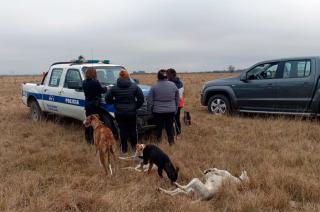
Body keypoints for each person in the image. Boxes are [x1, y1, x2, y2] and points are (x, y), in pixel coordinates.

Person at [105, 69, 144, 155]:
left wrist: (115, 103)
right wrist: (135, 106)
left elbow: (107, 99)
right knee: (133, 130)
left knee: (122, 131)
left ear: (119, 76)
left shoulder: (113, 88)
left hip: (119, 113)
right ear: (128, 76)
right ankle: (135, 149)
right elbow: (141, 99)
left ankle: (124, 150)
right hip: (132, 112)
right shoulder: (135, 86)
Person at [147, 69, 179, 145]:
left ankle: (158, 142)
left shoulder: (154, 86)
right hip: (170, 110)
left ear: (158, 77)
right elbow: (177, 98)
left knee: (158, 128)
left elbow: (150, 101)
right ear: (166, 77)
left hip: (158, 111)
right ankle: (171, 142)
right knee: (169, 127)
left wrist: (150, 111)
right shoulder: (173, 85)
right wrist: (175, 108)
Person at [82, 67, 106, 144]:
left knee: (88, 122)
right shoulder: (95, 82)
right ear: (93, 74)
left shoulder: (84, 82)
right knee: (94, 123)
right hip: (94, 105)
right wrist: (107, 88)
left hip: (87, 104)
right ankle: (93, 140)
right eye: (95, 73)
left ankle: (87, 139)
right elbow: (102, 90)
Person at [167, 68, 184, 137]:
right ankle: (177, 133)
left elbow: (178, 95)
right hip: (179, 103)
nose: (166, 76)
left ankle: (176, 133)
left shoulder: (174, 83)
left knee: (174, 119)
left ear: (171, 75)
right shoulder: (179, 82)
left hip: (176, 103)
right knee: (176, 119)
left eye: (167, 74)